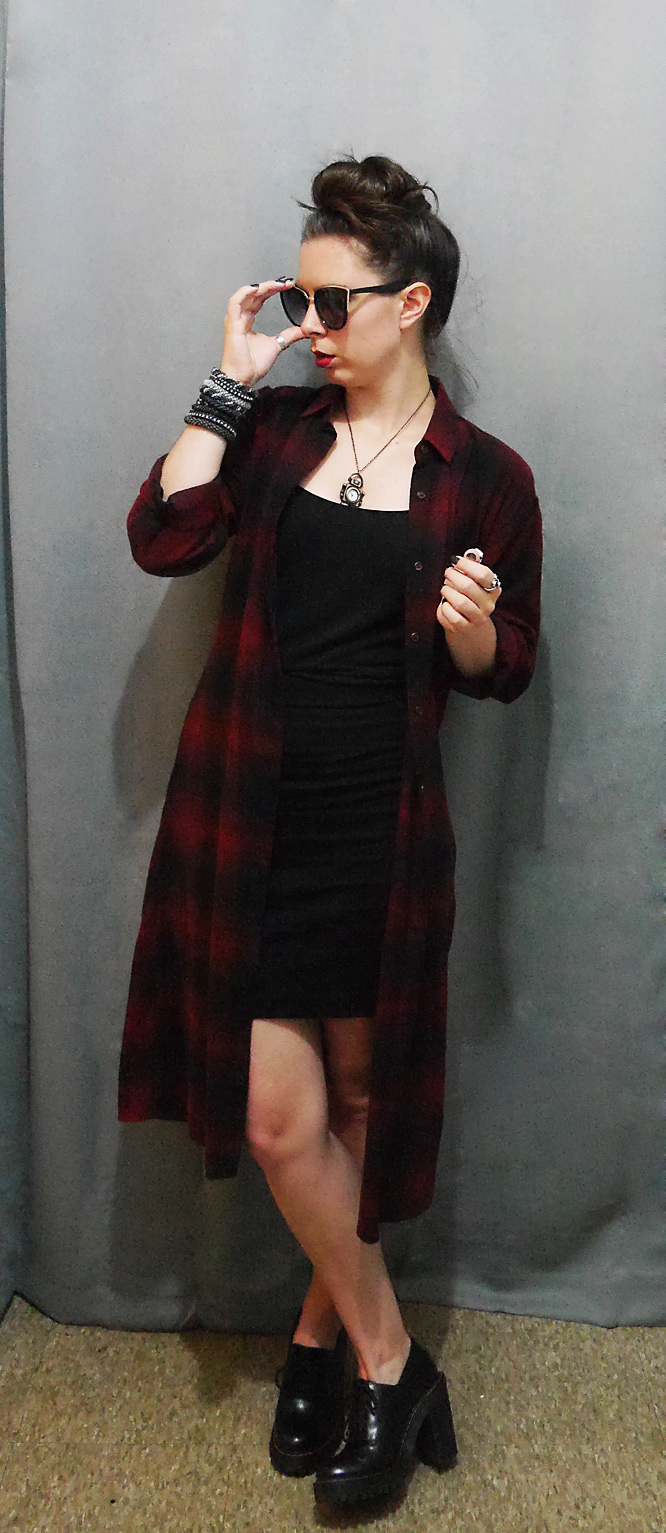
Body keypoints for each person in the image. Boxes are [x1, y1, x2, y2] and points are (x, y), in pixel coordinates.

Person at [117, 153, 543, 1507]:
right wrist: (226, 382)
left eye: (330, 303)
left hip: (382, 833)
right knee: (275, 1117)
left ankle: (320, 1341)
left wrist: (471, 636)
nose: (309, 326)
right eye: (297, 301)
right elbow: (164, 536)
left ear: (410, 302)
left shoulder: (487, 476)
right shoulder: (274, 432)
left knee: (357, 1105)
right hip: (247, 817)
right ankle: (392, 1361)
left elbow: (510, 665)